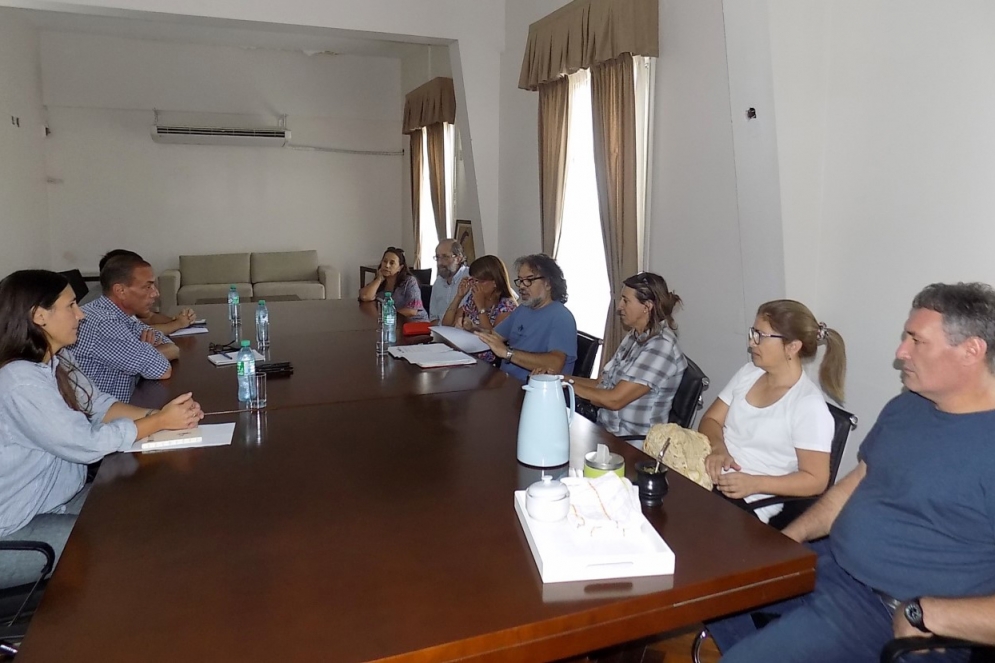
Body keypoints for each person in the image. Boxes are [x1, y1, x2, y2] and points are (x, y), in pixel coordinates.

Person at [709, 282, 995, 662]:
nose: (900, 352)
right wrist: (790, 538)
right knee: (708, 589)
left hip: (886, 612)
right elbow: (858, 481)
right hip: (831, 567)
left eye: (916, 340)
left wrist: (929, 613)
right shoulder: (907, 408)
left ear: (971, 351)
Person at [0, 270, 203, 586]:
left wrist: (162, 416)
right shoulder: (20, 382)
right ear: (39, 316)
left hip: (50, 503)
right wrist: (157, 423)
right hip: (14, 531)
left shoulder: (58, 360)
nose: (80, 315)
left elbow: (100, 406)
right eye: (71, 306)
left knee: (143, 509)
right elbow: (85, 443)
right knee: (119, 545)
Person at [699, 299, 846, 523]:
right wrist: (718, 448)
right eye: (752, 332)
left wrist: (754, 483)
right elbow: (711, 419)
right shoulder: (749, 373)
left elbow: (816, 480)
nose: (751, 342)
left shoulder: (808, 405)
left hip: (748, 502)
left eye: (761, 336)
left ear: (792, 346)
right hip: (709, 480)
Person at [567, 273, 687, 439]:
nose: (619, 307)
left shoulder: (660, 347)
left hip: (631, 443)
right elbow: (601, 383)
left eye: (626, 300)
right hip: (605, 428)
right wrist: (559, 378)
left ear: (647, 306)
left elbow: (614, 400)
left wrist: (565, 385)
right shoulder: (635, 336)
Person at [72, 254, 180, 402]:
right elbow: (162, 370)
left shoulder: (122, 315)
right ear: (120, 291)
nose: (155, 293)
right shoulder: (103, 323)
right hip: (101, 419)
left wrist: (141, 351)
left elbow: (172, 347)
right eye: (147, 287)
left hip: (125, 404)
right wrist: (145, 352)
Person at [476, 254, 577, 381]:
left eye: (529, 280)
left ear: (548, 283)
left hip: (533, 390)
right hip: (505, 381)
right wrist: (471, 328)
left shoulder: (561, 317)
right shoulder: (523, 310)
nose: (522, 286)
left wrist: (508, 353)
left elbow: (555, 364)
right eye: (520, 280)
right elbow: (494, 337)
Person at [99, 250, 197, 334]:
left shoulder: (128, 307)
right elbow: (138, 333)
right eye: (147, 287)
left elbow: (150, 317)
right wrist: (177, 324)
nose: (156, 294)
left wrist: (180, 319)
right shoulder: (104, 317)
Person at [440, 255, 518, 362]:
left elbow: (493, 337)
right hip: (466, 353)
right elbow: (447, 324)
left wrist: (480, 307)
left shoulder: (507, 305)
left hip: (489, 361)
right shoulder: (473, 298)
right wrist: (459, 296)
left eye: (479, 281)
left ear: (495, 282)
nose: (475, 285)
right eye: (473, 280)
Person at [357, 246, 428, 322]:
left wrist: (387, 315)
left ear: (400, 268)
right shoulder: (381, 282)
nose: (387, 265)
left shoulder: (409, 281)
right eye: (385, 261)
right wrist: (379, 279)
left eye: (392, 263)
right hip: (393, 324)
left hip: (415, 325)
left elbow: (412, 311)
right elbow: (365, 296)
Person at [429, 239, 469, 323]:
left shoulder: (469, 278)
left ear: (458, 258)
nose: (440, 262)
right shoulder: (438, 283)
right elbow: (433, 318)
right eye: (437, 257)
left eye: (445, 257)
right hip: (440, 333)